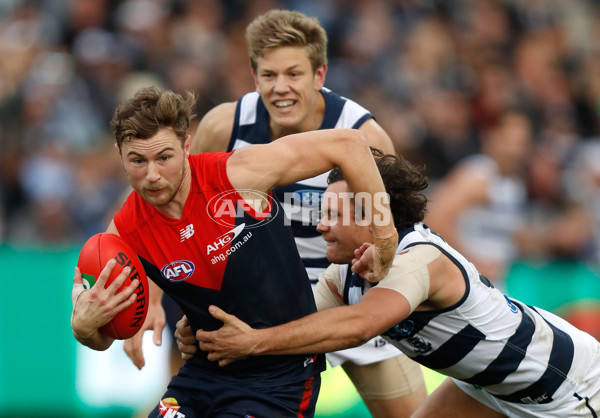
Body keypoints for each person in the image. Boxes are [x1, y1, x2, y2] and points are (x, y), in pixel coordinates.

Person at [188, 150, 600, 418]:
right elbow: (292, 322)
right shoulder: (345, 272)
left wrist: (254, 343)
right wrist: (210, 328)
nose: (321, 225)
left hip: (566, 386)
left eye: (333, 213)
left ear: (373, 215)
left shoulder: (420, 259)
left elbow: (359, 326)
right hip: (487, 388)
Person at [69, 86, 397, 417]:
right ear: (119, 154)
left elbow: (350, 145)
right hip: (201, 378)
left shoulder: (238, 173)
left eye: (164, 158)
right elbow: (102, 336)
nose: (152, 175)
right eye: (137, 160)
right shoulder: (123, 234)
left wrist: (386, 237)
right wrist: (84, 329)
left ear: (186, 145)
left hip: (280, 381)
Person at [176, 9, 424, 416]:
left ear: (320, 74)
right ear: (254, 77)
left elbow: (391, 228)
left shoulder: (364, 136)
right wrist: (184, 307)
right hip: (261, 312)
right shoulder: (225, 127)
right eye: (269, 76)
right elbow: (193, 224)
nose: (281, 88)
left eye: (294, 74)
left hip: (345, 299)